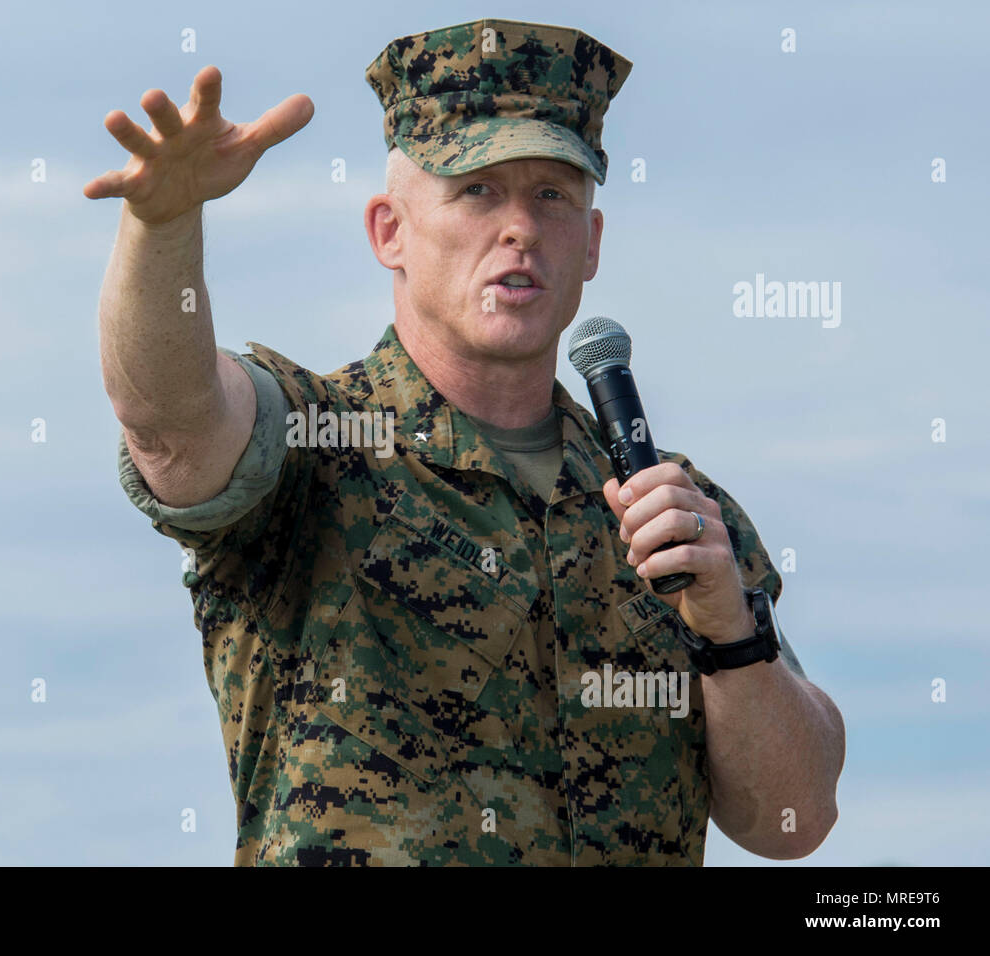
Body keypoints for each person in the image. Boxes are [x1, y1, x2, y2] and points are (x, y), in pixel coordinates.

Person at [85, 18, 845, 866]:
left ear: (591, 245)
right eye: (477, 190)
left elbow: (795, 818)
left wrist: (729, 630)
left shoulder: (671, 509)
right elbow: (170, 421)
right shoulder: (316, 445)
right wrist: (162, 225)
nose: (519, 227)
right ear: (389, 232)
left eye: (552, 194)